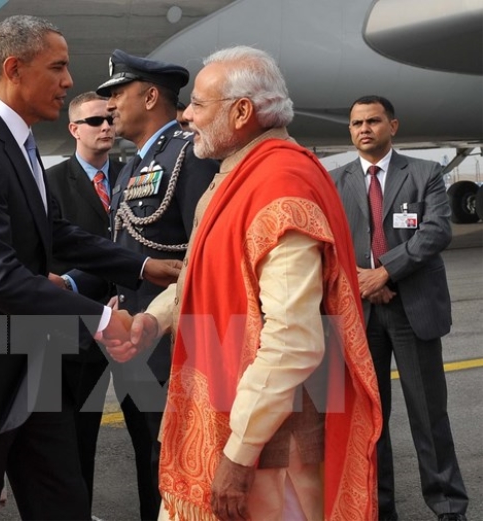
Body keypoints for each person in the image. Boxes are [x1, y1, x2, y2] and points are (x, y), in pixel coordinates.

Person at [0, 16, 179, 521]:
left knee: (62, 501)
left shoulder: (20, 143)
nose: (70, 81)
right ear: (14, 69)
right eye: (58, 67)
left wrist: (142, 266)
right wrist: (98, 317)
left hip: (32, 352)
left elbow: (58, 233)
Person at [104, 45, 383, 521]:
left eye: (198, 105)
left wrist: (238, 455)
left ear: (241, 112)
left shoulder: (280, 186)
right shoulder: (237, 175)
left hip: (271, 448)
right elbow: (200, 272)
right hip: (231, 420)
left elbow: (293, 341)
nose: (186, 115)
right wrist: (153, 322)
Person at [330, 95, 468, 521]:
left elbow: (435, 232)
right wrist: (364, 282)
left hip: (414, 312)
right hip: (361, 313)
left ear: (393, 126)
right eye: (356, 123)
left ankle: (448, 506)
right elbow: (328, 241)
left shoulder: (425, 174)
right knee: (370, 419)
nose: (364, 129)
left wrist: (384, 273)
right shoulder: (335, 181)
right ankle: (377, 505)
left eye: (373, 121)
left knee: (429, 416)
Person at [94, 49, 218, 520]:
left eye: (117, 94)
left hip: (173, 342)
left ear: (149, 97)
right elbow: (126, 243)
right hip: (134, 340)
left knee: (175, 458)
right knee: (148, 457)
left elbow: (201, 254)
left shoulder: (190, 155)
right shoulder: (131, 166)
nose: (110, 107)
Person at [45, 91, 125, 506]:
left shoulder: (132, 175)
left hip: (133, 324)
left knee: (149, 437)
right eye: (95, 121)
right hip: (79, 327)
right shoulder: (51, 183)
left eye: (110, 118)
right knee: (77, 438)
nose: (107, 127)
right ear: (74, 129)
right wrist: (74, 285)